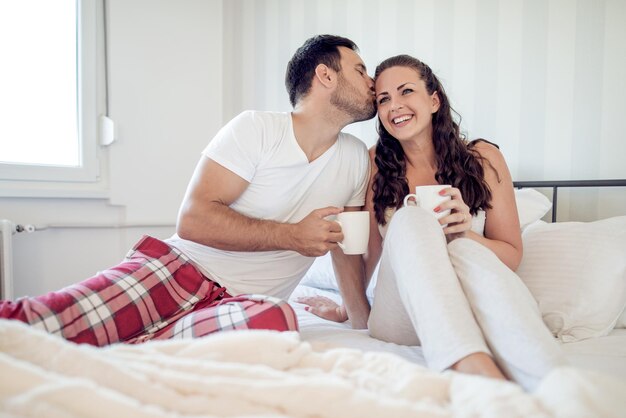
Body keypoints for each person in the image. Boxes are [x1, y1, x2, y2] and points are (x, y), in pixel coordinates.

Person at [0, 34, 376, 346]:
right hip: (179, 272)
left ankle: (129, 352)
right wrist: (291, 236)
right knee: (39, 325)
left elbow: (348, 249)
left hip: (245, 305)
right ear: (325, 76)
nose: (371, 82)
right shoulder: (257, 129)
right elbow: (194, 220)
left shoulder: (356, 159)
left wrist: (363, 325)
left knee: (279, 320)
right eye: (360, 70)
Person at [298, 54, 565, 391]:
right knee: (411, 218)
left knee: (464, 251)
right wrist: (348, 310)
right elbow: (371, 256)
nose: (395, 105)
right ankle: (468, 362)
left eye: (406, 91)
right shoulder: (375, 165)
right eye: (383, 99)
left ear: (434, 100)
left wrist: (464, 233)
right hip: (403, 316)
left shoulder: (483, 159)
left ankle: (555, 380)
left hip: (475, 304)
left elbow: (511, 255)